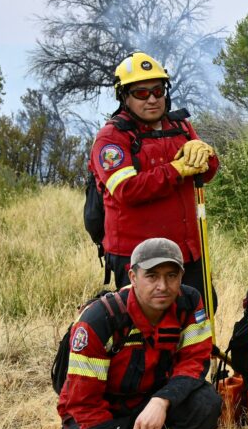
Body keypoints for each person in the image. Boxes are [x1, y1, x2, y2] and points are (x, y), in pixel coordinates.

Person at [58, 238, 221, 429]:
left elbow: (194, 361)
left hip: (148, 401)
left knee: (207, 403)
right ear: (132, 277)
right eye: (152, 276)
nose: (163, 286)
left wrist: (162, 400)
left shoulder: (189, 302)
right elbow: (84, 403)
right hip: (97, 412)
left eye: (171, 276)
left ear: (182, 277)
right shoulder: (100, 320)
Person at [89, 52, 220, 294]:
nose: (152, 99)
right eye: (141, 93)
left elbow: (207, 174)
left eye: (158, 91)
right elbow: (126, 190)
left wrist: (207, 156)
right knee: (147, 326)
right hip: (137, 256)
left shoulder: (181, 127)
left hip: (187, 252)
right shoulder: (112, 138)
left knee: (197, 319)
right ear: (124, 97)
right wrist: (175, 170)